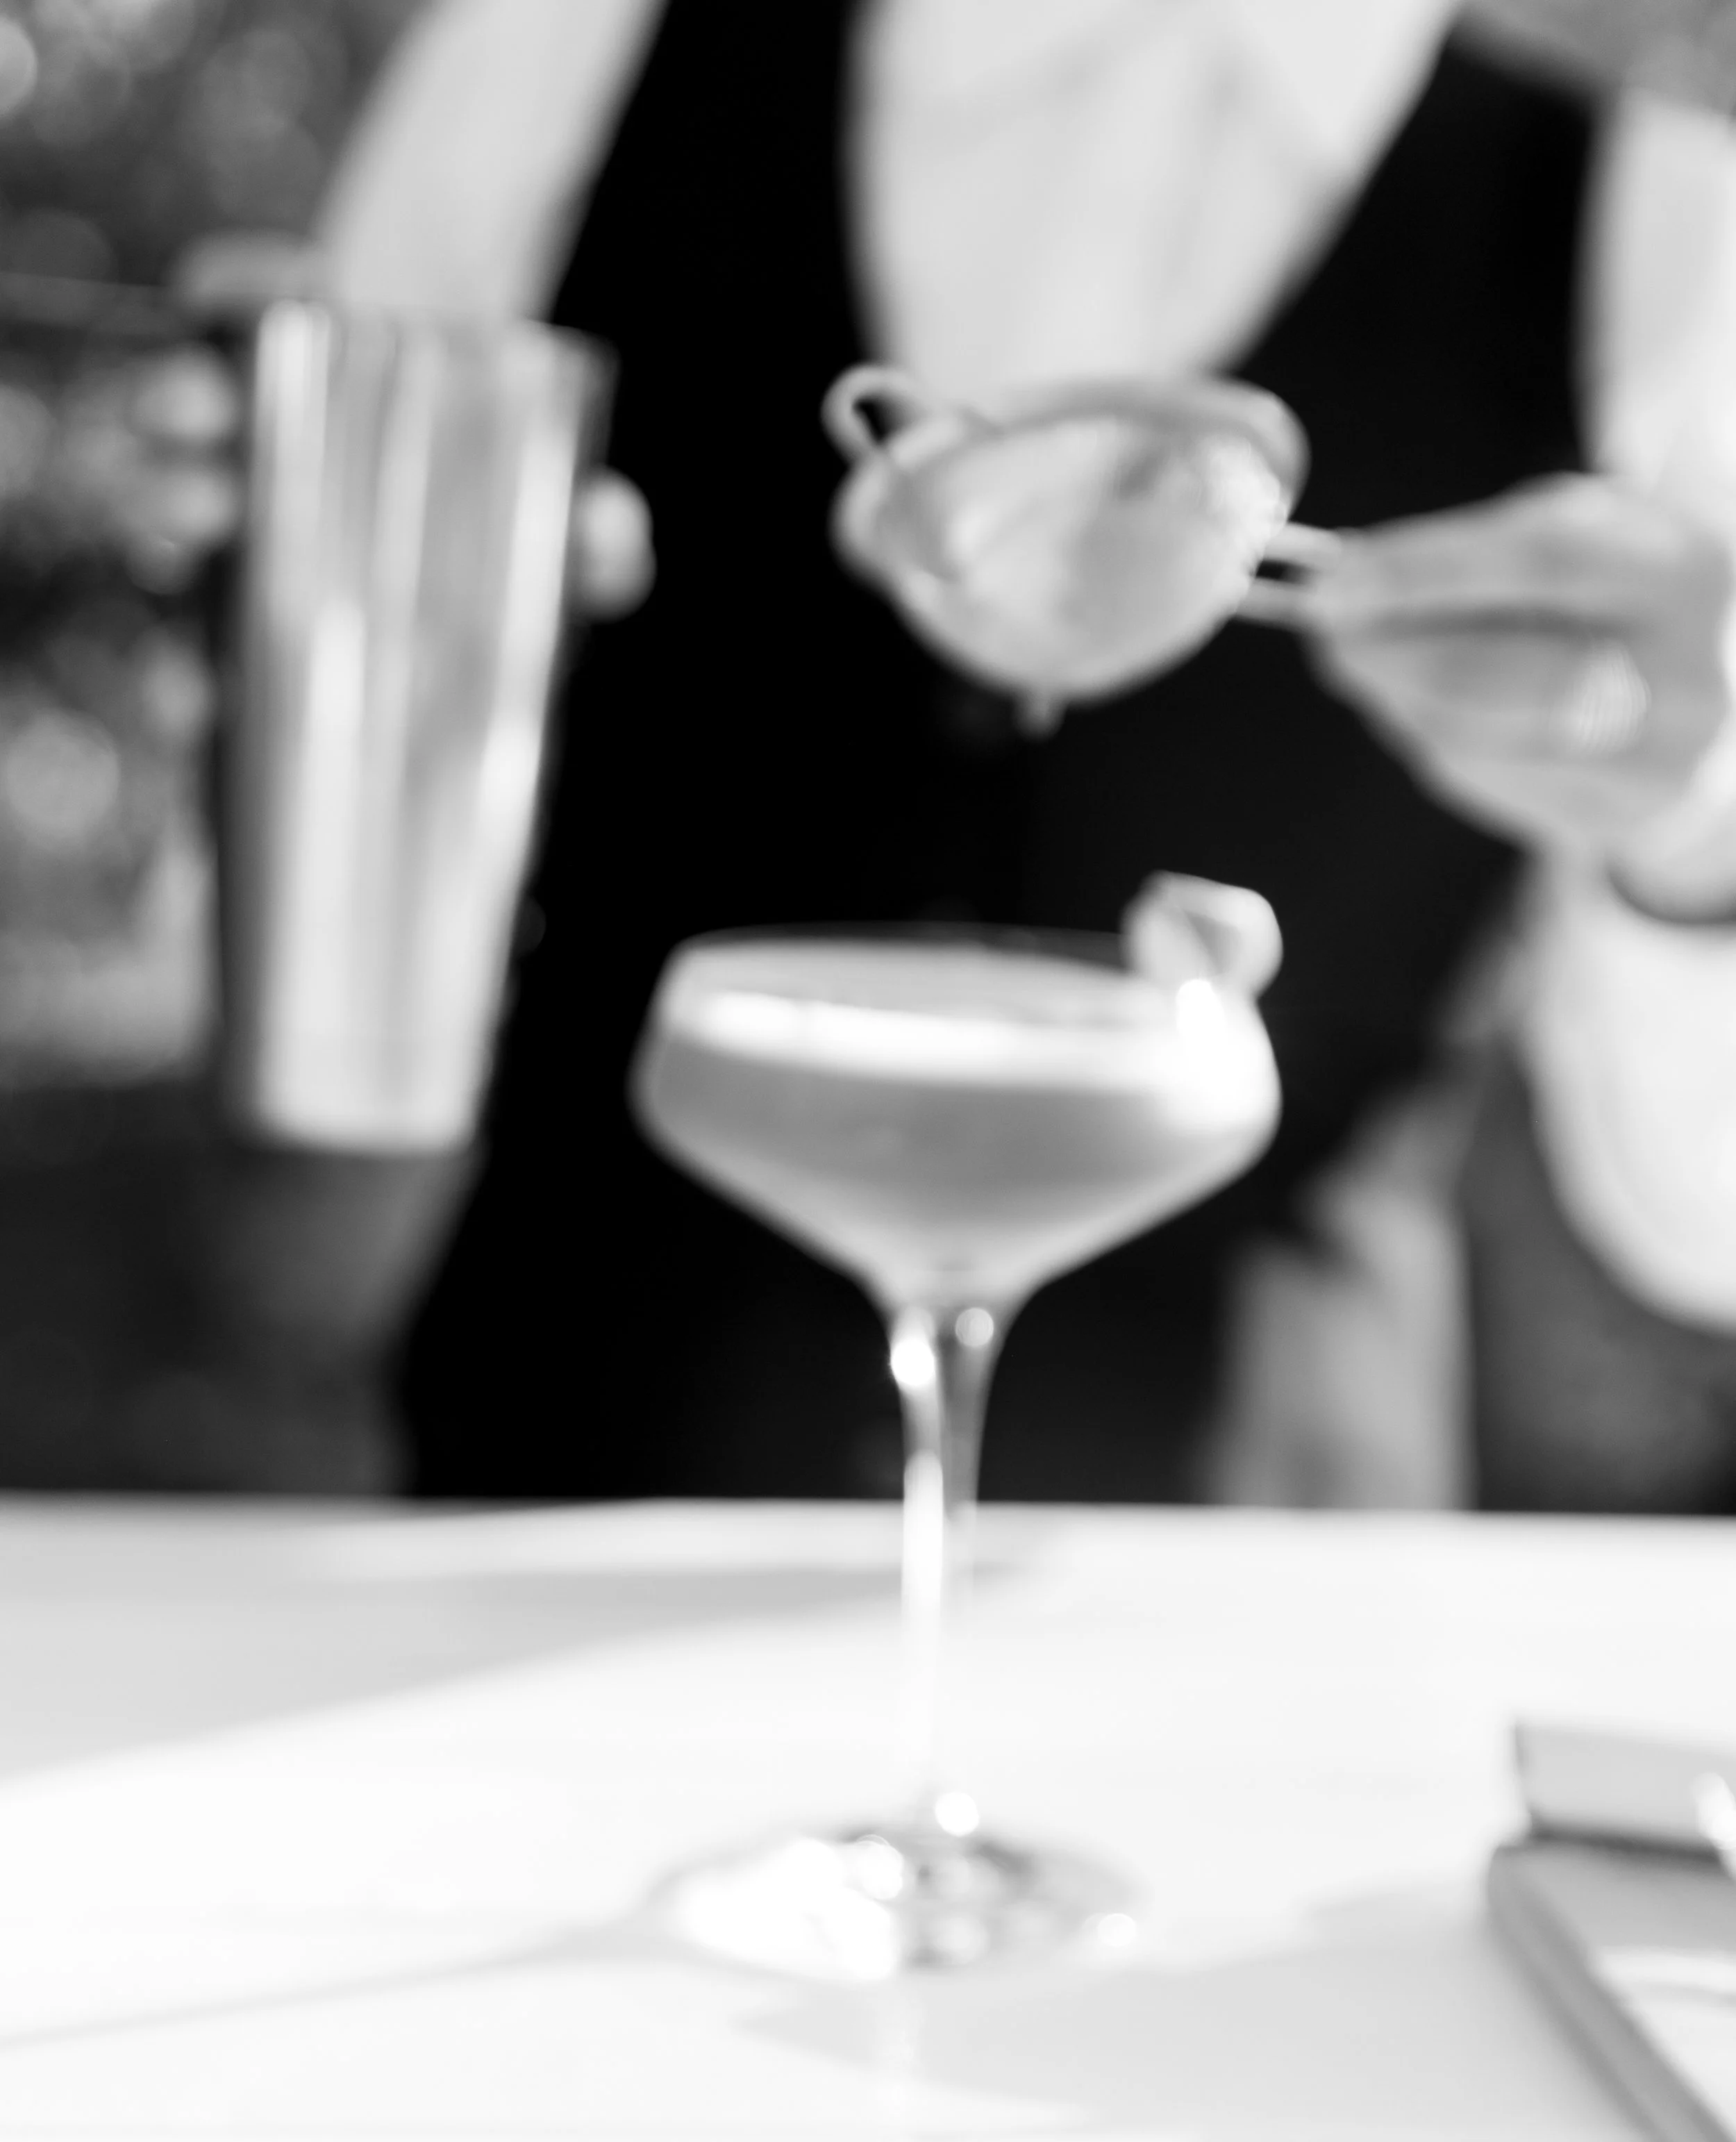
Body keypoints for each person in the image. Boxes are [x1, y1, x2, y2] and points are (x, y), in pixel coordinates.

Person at [163, 0, 1736, 1505]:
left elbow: (1700, 1235)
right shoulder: (553, 49)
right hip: (561, 1512)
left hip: (1261, 1619)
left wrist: (1695, 831)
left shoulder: (1663, 208)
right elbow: (285, 934)